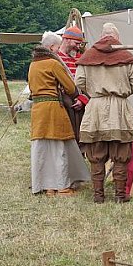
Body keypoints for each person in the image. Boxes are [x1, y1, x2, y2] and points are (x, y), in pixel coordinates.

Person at [75, 22, 133, 204]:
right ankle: (120, 196)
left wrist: (94, 92)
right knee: (121, 154)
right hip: (119, 108)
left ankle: (99, 196)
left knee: (96, 155)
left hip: (95, 107)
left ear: (101, 36)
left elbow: (79, 81)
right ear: (117, 38)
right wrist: (121, 90)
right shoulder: (127, 56)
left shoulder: (88, 56)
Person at [27, 43, 90, 196]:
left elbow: (31, 87)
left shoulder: (32, 65)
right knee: (59, 148)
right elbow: (70, 87)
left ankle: (48, 187)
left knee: (43, 148)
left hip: (37, 109)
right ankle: (62, 187)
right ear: (51, 48)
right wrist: (77, 95)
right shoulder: (53, 63)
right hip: (53, 108)